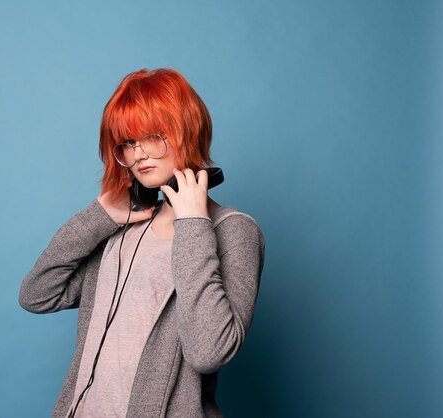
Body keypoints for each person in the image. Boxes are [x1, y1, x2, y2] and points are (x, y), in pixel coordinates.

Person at [19, 68, 265, 417]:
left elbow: (209, 351)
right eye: (128, 143)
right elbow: (36, 294)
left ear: (187, 131)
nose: (138, 155)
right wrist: (97, 216)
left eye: (151, 136)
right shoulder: (124, 229)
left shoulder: (233, 231)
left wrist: (193, 222)